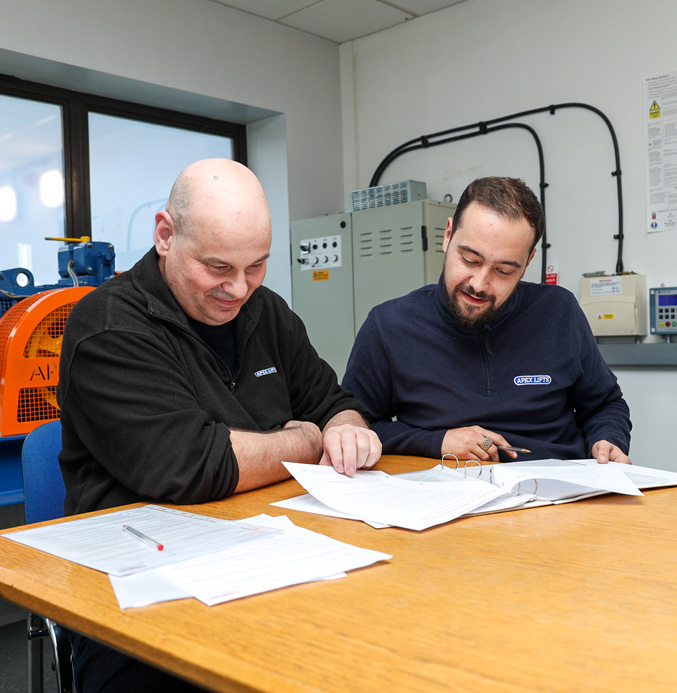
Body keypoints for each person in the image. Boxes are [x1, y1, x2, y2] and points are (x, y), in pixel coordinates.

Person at [57, 158, 381, 691]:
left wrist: (347, 428)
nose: (238, 288)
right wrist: (304, 440)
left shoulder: (268, 312)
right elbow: (192, 464)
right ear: (165, 235)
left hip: (273, 561)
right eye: (217, 267)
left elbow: (332, 400)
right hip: (142, 596)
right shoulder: (108, 327)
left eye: (256, 266)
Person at [342, 176, 631, 465]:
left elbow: (606, 404)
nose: (480, 284)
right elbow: (354, 429)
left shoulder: (559, 311)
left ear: (528, 261)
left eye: (504, 270)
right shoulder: (389, 325)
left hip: (556, 493)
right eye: (469, 259)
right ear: (448, 235)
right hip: (447, 494)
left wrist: (608, 439)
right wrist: (437, 441)